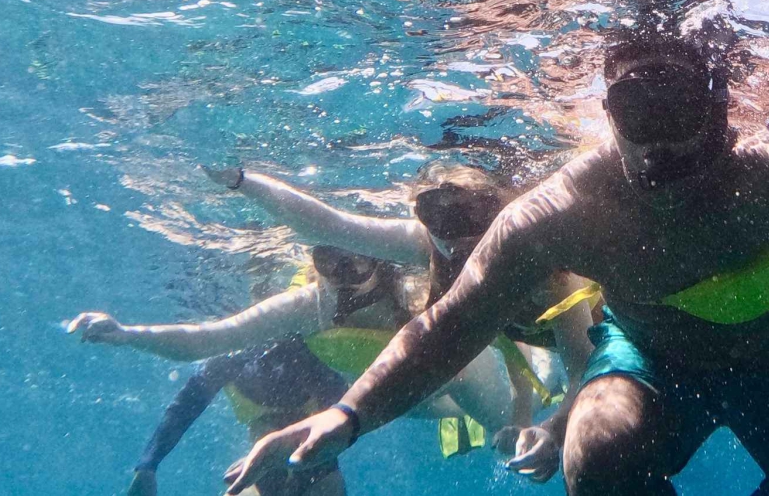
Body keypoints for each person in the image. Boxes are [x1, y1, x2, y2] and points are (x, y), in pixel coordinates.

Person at [224, 24, 769, 496]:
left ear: (719, 106)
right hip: (652, 356)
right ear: (607, 115)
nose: (658, 143)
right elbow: (452, 323)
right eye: (634, 112)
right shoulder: (568, 208)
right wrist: (349, 411)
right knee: (595, 452)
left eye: (676, 109)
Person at [197, 160, 596, 452]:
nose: (455, 238)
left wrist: (552, 429)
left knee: (565, 387)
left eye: (473, 217)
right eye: (435, 219)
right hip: (518, 331)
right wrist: (243, 181)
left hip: (596, 329)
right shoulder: (428, 244)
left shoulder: (541, 260)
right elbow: (329, 226)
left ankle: (547, 378)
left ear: (498, 211)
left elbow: (582, 365)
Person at [68, 244, 517, 439]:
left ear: (380, 262)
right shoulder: (308, 305)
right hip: (393, 384)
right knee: (407, 406)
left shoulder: (416, 292)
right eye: (327, 260)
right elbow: (209, 339)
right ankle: (465, 418)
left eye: (354, 262)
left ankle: (534, 381)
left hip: (454, 367)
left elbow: (490, 302)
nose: (341, 275)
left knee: (503, 424)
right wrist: (127, 335)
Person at [127, 337, 348, 496]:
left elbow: (341, 418)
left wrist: (148, 465)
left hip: (312, 465)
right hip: (264, 469)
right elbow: (184, 408)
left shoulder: (307, 356)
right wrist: (148, 465)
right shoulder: (229, 358)